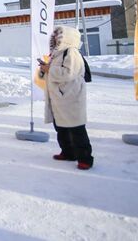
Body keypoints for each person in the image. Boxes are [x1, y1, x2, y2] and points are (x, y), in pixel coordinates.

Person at [39, 25, 94, 170]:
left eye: (59, 35)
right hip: (59, 99)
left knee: (76, 129)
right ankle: (68, 152)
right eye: (55, 35)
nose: (57, 38)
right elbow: (52, 73)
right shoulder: (57, 54)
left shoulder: (72, 53)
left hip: (71, 98)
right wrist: (44, 69)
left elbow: (69, 73)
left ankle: (85, 158)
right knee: (61, 128)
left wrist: (49, 69)